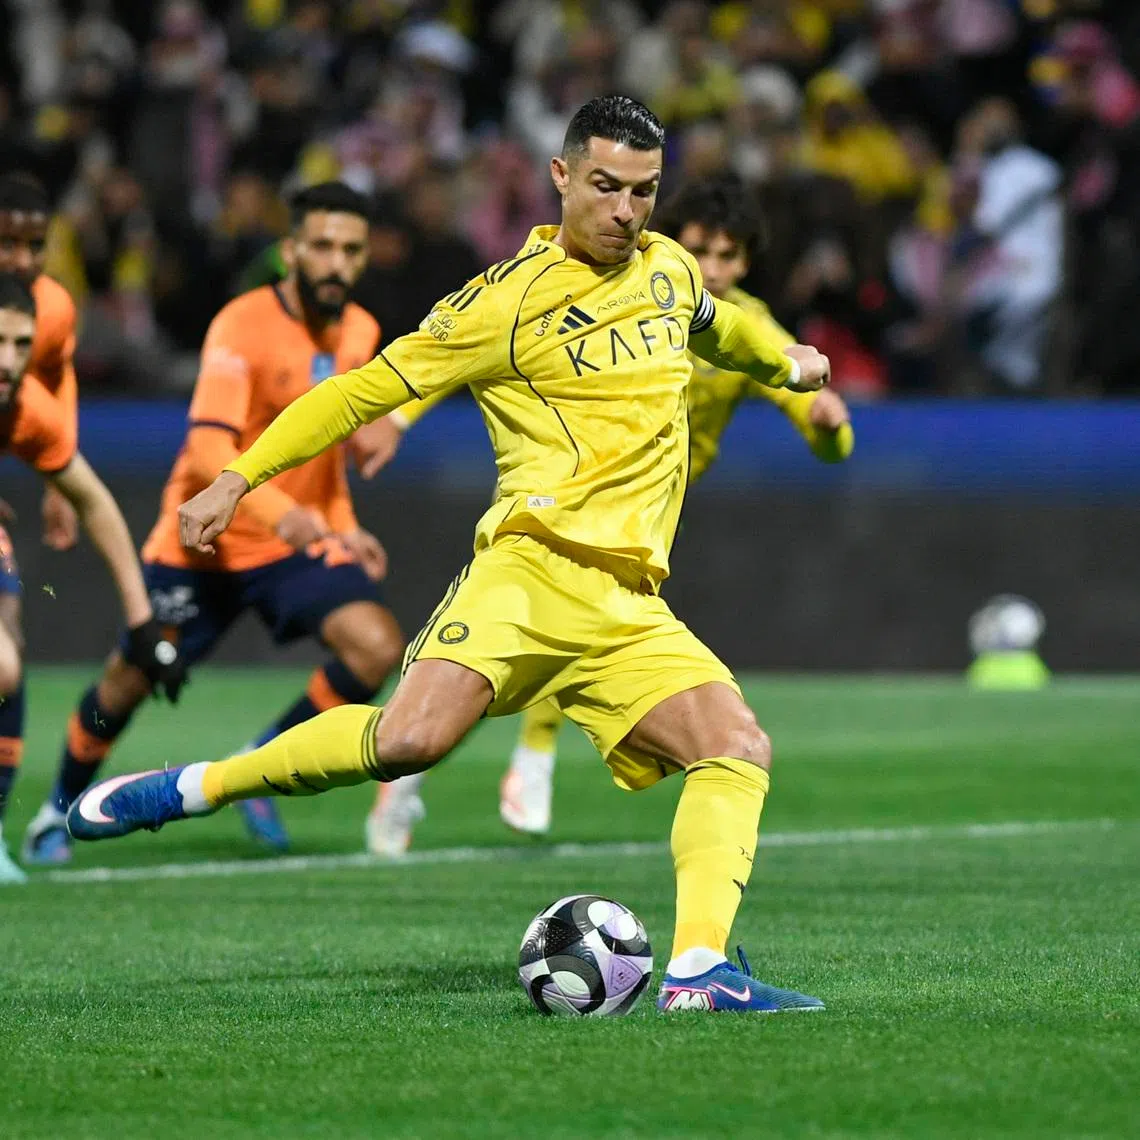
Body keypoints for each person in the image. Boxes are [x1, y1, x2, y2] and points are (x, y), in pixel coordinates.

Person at [70, 96, 831, 1014]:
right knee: (409, 740)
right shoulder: (502, 302)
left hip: (629, 603)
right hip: (529, 573)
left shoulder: (668, 268)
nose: (627, 212)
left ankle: (700, 974)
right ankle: (198, 785)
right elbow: (357, 392)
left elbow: (722, 324)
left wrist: (785, 360)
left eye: (644, 191)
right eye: (605, 187)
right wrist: (238, 476)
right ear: (559, 177)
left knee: (737, 746)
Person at [366, 173, 853, 853]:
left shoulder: (745, 325)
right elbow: (475, 342)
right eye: (702, 249)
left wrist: (829, 424)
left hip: (646, 519)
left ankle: (426, 761)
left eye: (730, 255)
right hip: (569, 497)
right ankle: (511, 761)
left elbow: (819, 423)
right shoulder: (629, 292)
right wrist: (400, 413)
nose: (713, 268)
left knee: (532, 653)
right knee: (542, 642)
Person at [22, 183, 405, 864]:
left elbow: (330, 455)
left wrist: (340, 522)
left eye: (350, 250)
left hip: (291, 545)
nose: (336, 263)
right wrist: (285, 514)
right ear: (290, 252)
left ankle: (260, 765)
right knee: (127, 682)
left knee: (375, 647)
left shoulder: (362, 332)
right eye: (321, 246)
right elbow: (205, 451)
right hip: (202, 542)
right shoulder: (241, 325)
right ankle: (58, 808)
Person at [0, 272, 185, 883]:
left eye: (22, 345)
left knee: (4, 661)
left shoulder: (27, 407)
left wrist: (140, 619)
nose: (9, 360)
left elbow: (96, 504)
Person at [0, 173, 83, 551]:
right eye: (7, 244)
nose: (23, 261)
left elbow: (56, 378)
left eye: (35, 246)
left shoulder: (53, 308)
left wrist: (59, 485)